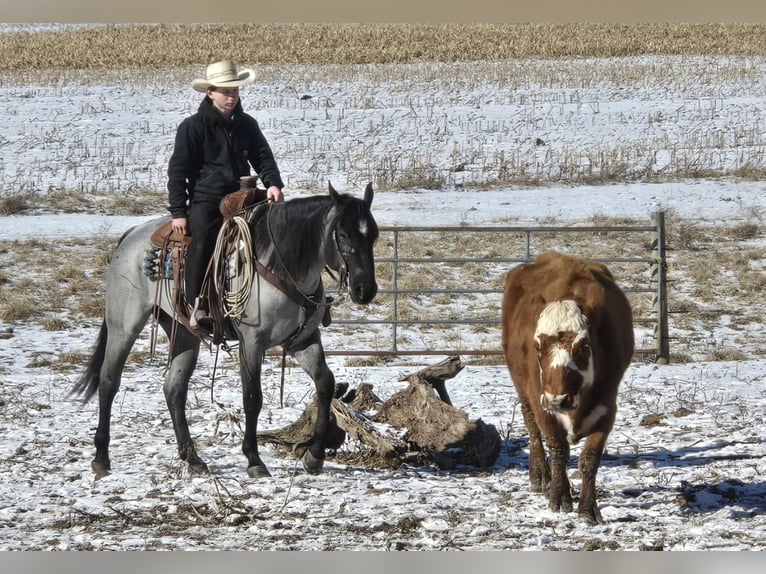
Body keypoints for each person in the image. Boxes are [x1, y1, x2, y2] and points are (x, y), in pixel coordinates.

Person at [167, 60, 285, 329]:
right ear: (210, 92)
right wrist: (178, 211)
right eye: (226, 91)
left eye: (235, 91)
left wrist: (274, 184)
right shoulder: (192, 127)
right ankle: (198, 304)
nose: (232, 96)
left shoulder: (247, 124)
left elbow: (263, 157)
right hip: (207, 198)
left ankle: (295, 292)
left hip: (242, 194)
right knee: (204, 241)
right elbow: (178, 171)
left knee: (281, 222)